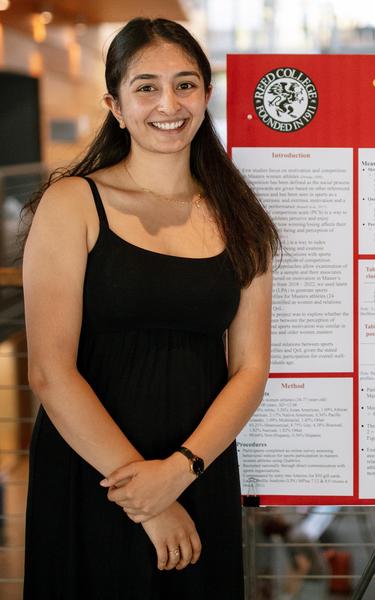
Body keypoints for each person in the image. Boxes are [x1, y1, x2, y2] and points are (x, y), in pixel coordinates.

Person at [21, 17, 279, 598]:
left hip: (198, 468)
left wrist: (179, 472)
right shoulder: (73, 203)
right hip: (90, 468)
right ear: (115, 104)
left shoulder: (242, 216)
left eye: (186, 84)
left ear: (207, 95)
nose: (170, 103)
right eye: (147, 87)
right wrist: (147, 500)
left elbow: (251, 369)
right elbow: (49, 371)